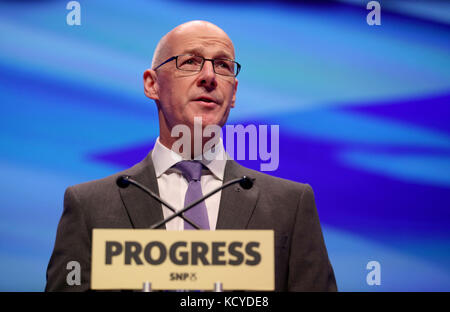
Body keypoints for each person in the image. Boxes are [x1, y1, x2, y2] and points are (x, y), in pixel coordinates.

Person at [45, 20, 337, 291]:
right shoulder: (90, 206)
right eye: (190, 62)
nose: (209, 76)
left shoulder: (290, 205)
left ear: (233, 93)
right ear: (152, 84)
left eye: (223, 65)